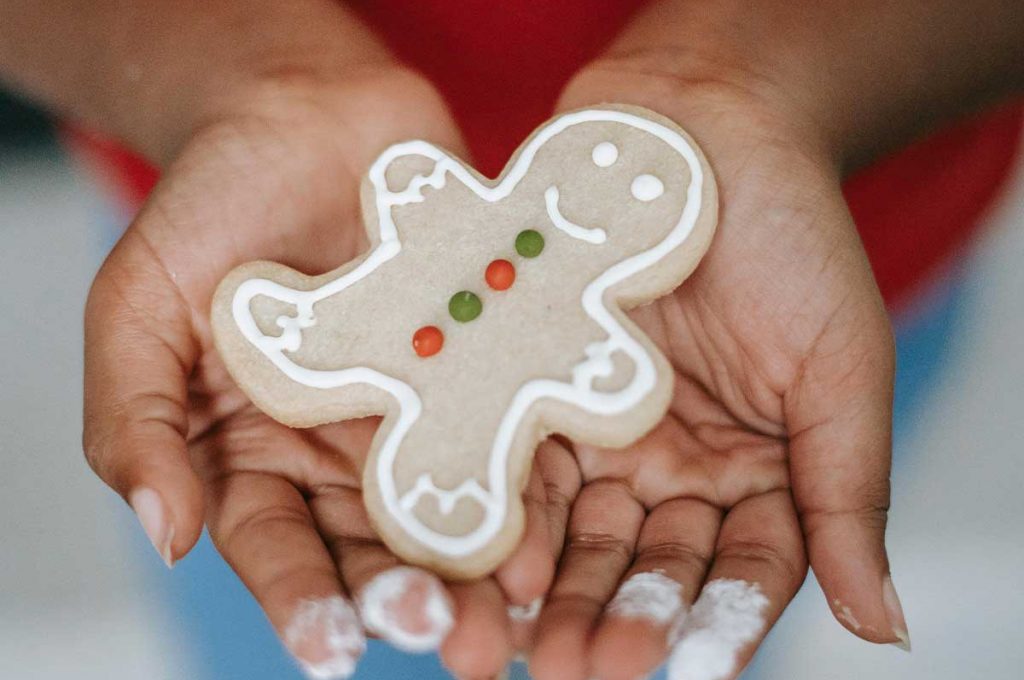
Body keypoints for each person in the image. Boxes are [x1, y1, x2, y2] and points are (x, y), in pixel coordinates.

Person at [1, 1, 1021, 679]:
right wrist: (246, 78)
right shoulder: (445, 221)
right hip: (246, 215)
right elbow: (426, 200)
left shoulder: (611, 323)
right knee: (315, 626)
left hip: (793, 306)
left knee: (677, 625)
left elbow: (600, 362)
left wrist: (767, 86)